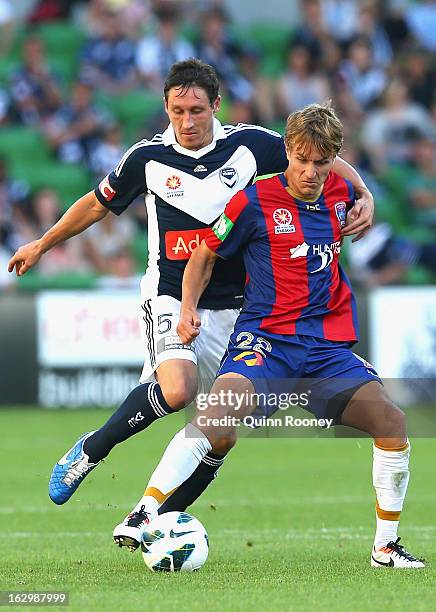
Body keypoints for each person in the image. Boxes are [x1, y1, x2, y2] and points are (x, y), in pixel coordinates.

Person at [8, 60, 374, 549]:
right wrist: (42, 243)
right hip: (170, 289)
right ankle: (91, 451)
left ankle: (156, 519)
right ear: (165, 107)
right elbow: (96, 204)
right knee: (178, 390)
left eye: (197, 110)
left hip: (238, 303)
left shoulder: (251, 145)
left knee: (222, 434)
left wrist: (363, 192)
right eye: (178, 110)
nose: (188, 120)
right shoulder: (147, 158)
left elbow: (317, 154)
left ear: (215, 106)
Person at [132, 102, 424, 568]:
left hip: (324, 347)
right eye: (302, 159)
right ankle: (145, 511)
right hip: (266, 341)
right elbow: (204, 255)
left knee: (391, 423)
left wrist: (366, 197)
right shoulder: (251, 202)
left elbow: (356, 193)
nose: (310, 172)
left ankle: (386, 548)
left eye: (321, 163)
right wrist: (187, 308)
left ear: (334, 160)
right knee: (217, 412)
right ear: (286, 150)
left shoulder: (340, 196)